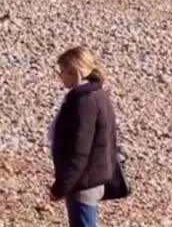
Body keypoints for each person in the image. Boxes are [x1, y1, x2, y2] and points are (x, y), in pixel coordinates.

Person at [49, 46, 119, 227]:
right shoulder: (98, 95)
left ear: (74, 72)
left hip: (83, 183)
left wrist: (61, 187)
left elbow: (79, 151)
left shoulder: (83, 102)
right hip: (92, 179)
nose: (60, 76)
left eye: (62, 71)